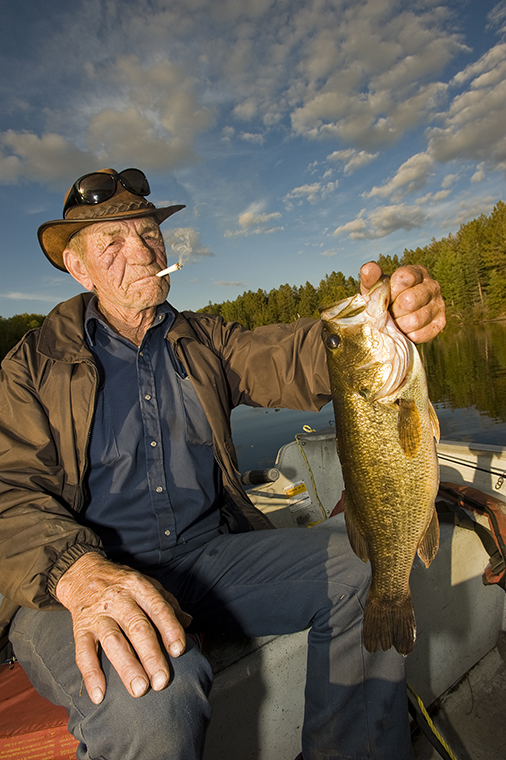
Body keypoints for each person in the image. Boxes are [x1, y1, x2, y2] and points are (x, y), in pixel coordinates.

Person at [0, 168, 446, 760]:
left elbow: (292, 355)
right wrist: (79, 574)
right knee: (152, 696)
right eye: (113, 242)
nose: (140, 250)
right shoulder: (29, 368)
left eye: (149, 234)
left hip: (205, 560)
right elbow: (8, 494)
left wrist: (380, 326)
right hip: (69, 586)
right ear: (79, 268)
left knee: (361, 571)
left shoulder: (203, 340)